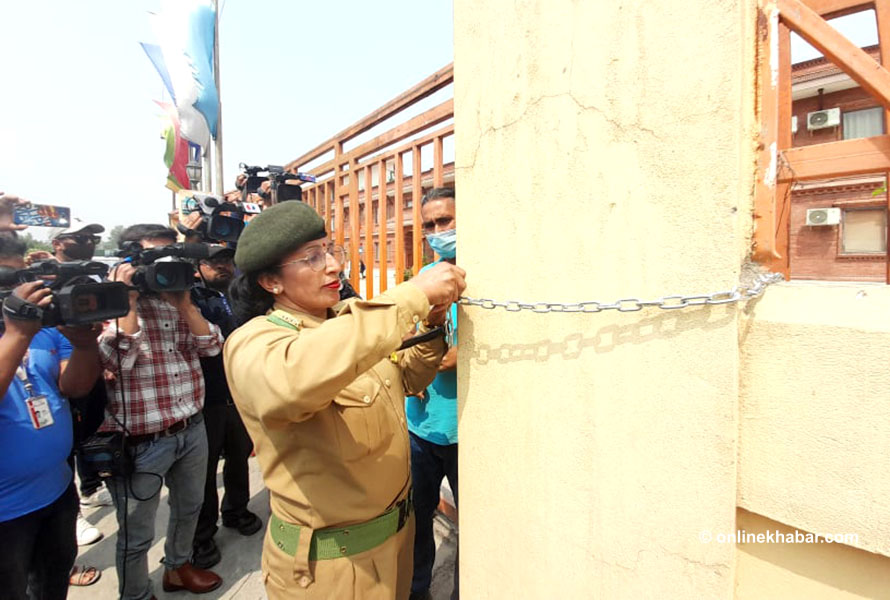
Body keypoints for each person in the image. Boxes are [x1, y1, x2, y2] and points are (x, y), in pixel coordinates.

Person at [224, 201, 466, 600]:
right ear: (271, 282)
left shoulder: (345, 320)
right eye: (312, 258)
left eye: (330, 251)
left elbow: (407, 377)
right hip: (332, 568)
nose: (334, 266)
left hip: (395, 543)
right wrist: (411, 296)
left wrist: (433, 322)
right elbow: (292, 383)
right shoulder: (255, 343)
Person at [100, 224, 224, 599]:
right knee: (136, 533)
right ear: (129, 259)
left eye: (174, 256)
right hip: (140, 441)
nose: (168, 265)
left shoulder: (180, 298)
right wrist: (129, 302)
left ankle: (177, 568)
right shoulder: (107, 301)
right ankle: (136, 593)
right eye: (156, 257)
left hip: (191, 426)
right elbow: (115, 360)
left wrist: (185, 304)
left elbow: (212, 345)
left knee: (190, 509)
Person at [0, 230, 104, 599]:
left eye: (17, 279)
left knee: (51, 585)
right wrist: (16, 335)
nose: (12, 292)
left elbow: (74, 387)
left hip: (56, 491)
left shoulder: (41, 327)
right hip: (5, 512)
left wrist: (84, 344)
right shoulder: (22, 328)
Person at [190, 245, 262, 570]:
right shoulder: (190, 299)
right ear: (198, 266)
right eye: (214, 261)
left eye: (226, 260)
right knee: (205, 472)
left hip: (241, 393)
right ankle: (203, 536)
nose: (222, 266)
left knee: (238, 456)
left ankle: (237, 510)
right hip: (207, 397)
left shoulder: (239, 294)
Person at [407, 187, 460, 600]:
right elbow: (407, 345)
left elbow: (438, 356)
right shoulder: (423, 282)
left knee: (474, 532)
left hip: (465, 435)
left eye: (446, 221)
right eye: (430, 225)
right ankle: (417, 590)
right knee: (415, 521)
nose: (438, 231)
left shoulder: (487, 280)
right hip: (420, 429)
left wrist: (430, 354)